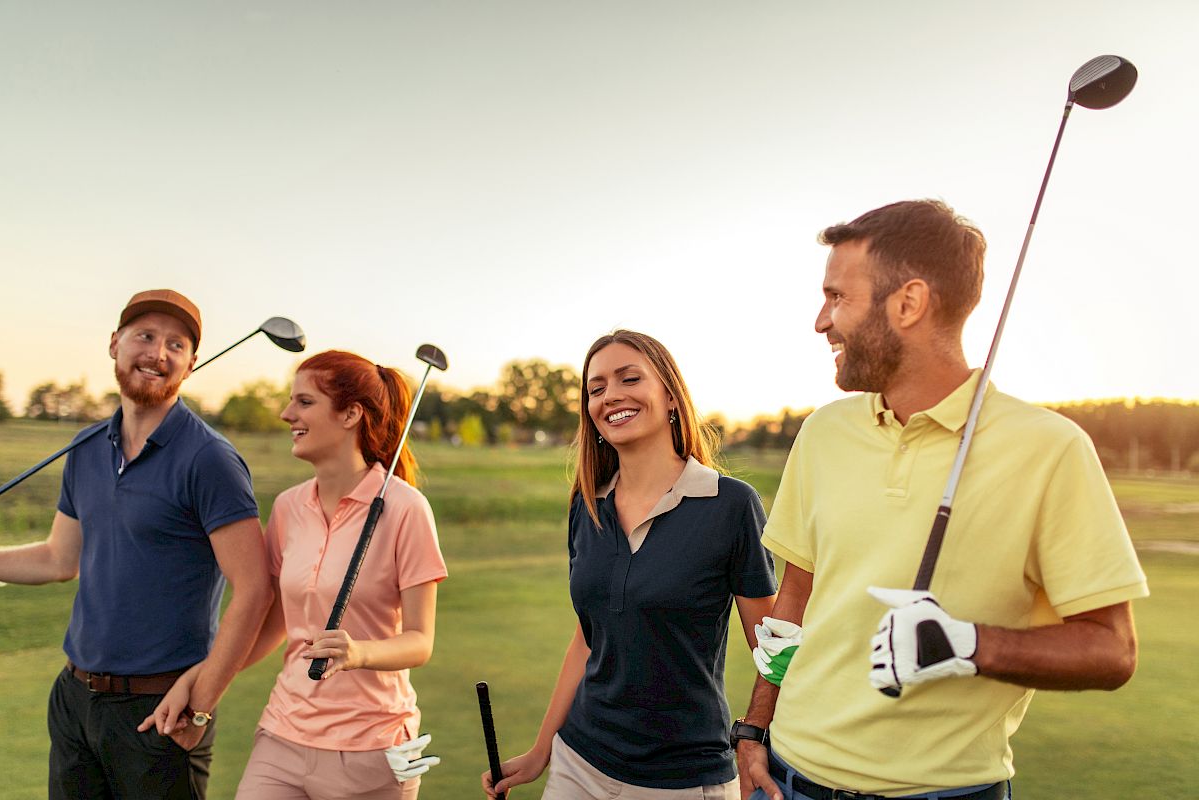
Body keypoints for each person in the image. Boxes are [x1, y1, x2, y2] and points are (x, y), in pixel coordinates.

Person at [735, 200, 1149, 800]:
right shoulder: (824, 432)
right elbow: (796, 598)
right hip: (791, 777)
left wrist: (967, 645)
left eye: (838, 297)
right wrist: (755, 727)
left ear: (908, 303)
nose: (822, 322)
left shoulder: (1050, 449)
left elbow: (1113, 650)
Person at [0, 289, 273, 799]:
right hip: (75, 700)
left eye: (176, 345)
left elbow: (255, 589)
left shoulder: (210, 459)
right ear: (114, 344)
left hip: (161, 708)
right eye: (145, 336)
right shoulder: (85, 447)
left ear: (191, 364)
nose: (158, 353)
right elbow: (59, 559)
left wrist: (202, 703)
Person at [484, 330, 778, 799]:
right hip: (578, 763)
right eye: (596, 388)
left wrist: (758, 740)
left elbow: (772, 648)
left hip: (683, 779)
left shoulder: (731, 505)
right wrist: (541, 750)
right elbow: (587, 638)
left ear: (671, 396)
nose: (611, 396)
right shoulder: (586, 504)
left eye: (629, 378)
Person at [143, 349, 447, 799]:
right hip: (283, 734)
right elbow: (272, 626)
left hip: (372, 748)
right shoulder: (288, 507)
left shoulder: (406, 509)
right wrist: (199, 679)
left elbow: (420, 642)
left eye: (304, 402)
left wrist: (357, 652)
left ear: (350, 414)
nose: (287, 414)